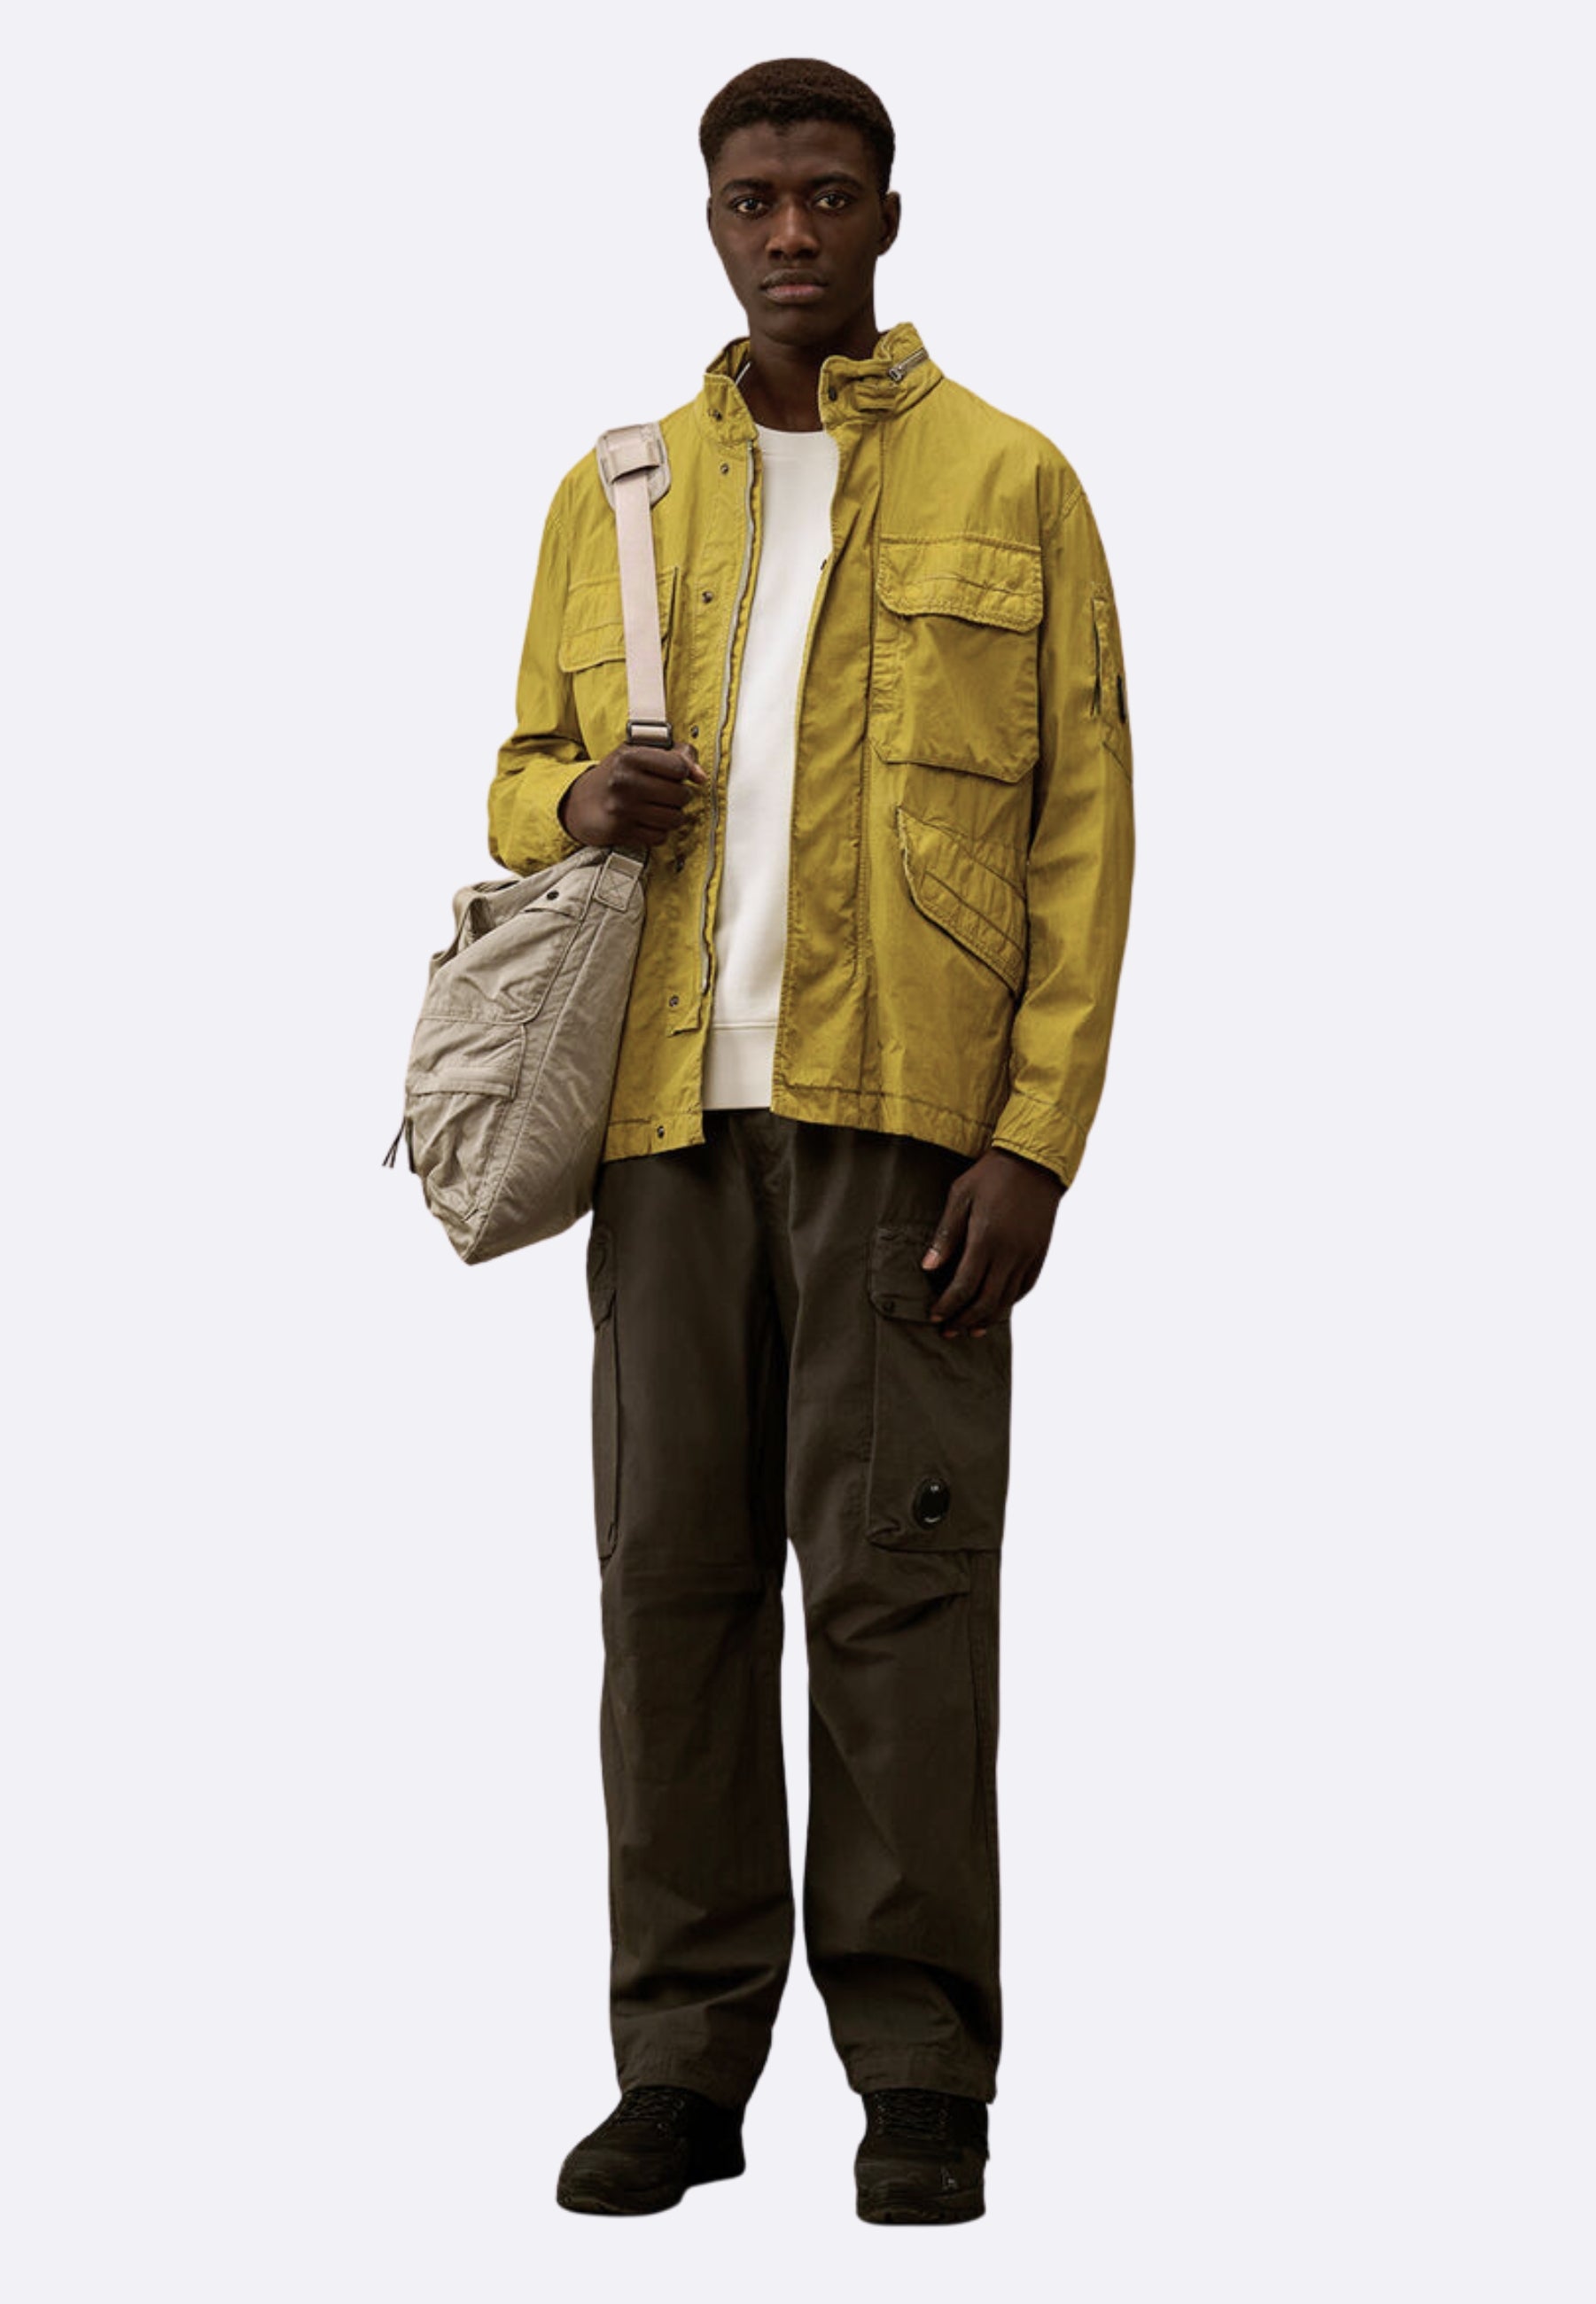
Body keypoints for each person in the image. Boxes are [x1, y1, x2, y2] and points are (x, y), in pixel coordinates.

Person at [487, 58, 1134, 2225]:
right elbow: (517, 770)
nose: (790, 233)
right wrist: (566, 802)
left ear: (884, 217)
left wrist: (1032, 1139)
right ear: (710, 218)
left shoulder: (1011, 482)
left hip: (901, 1128)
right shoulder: (617, 488)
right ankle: (679, 2066)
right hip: (660, 1126)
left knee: (897, 1598)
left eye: (827, 197)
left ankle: (919, 2072)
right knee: (668, 1595)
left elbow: (1084, 832)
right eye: (754, 199)